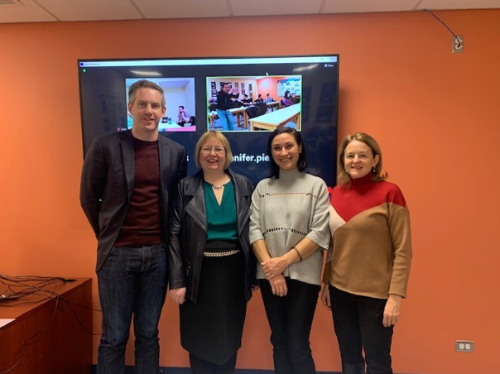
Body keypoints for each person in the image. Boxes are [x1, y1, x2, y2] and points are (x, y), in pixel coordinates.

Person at [80, 79, 187, 374]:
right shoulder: (105, 146)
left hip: (158, 256)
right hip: (117, 255)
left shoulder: (175, 152)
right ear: (130, 108)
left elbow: (176, 205)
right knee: (114, 336)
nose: (148, 110)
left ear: (163, 110)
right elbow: (88, 197)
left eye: (154, 105)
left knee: (148, 334)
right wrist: (107, 235)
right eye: (142, 104)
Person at [321, 132, 412, 374]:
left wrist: (395, 296)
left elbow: (403, 250)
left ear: (375, 160)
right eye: (350, 155)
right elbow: (332, 245)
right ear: (343, 160)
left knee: (378, 362)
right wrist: (327, 282)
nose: (355, 160)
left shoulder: (391, 193)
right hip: (340, 292)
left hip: (377, 296)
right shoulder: (336, 193)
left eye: (362, 155)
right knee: (349, 359)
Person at [168, 131, 257, 374]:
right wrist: (176, 281)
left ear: (227, 154)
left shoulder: (245, 186)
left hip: (233, 276)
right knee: (199, 340)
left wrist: (254, 275)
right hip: (196, 275)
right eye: (207, 149)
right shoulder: (185, 188)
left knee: (228, 339)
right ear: (198, 155)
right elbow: (174, 236)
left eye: (219, 149)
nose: (213, 154)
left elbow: (254, 232)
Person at [249, 127, 330, 374]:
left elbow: (318, 233)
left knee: (297, 345)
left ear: (300, 148)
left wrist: (282, 263)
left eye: (289, 146)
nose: (284, 152)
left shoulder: (316, 186)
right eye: (277, 148)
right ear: (271, 153)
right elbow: (254, 230)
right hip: (269, 276)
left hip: (304, 276)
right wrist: (272, 272)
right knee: (279, 342)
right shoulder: (262, 187)